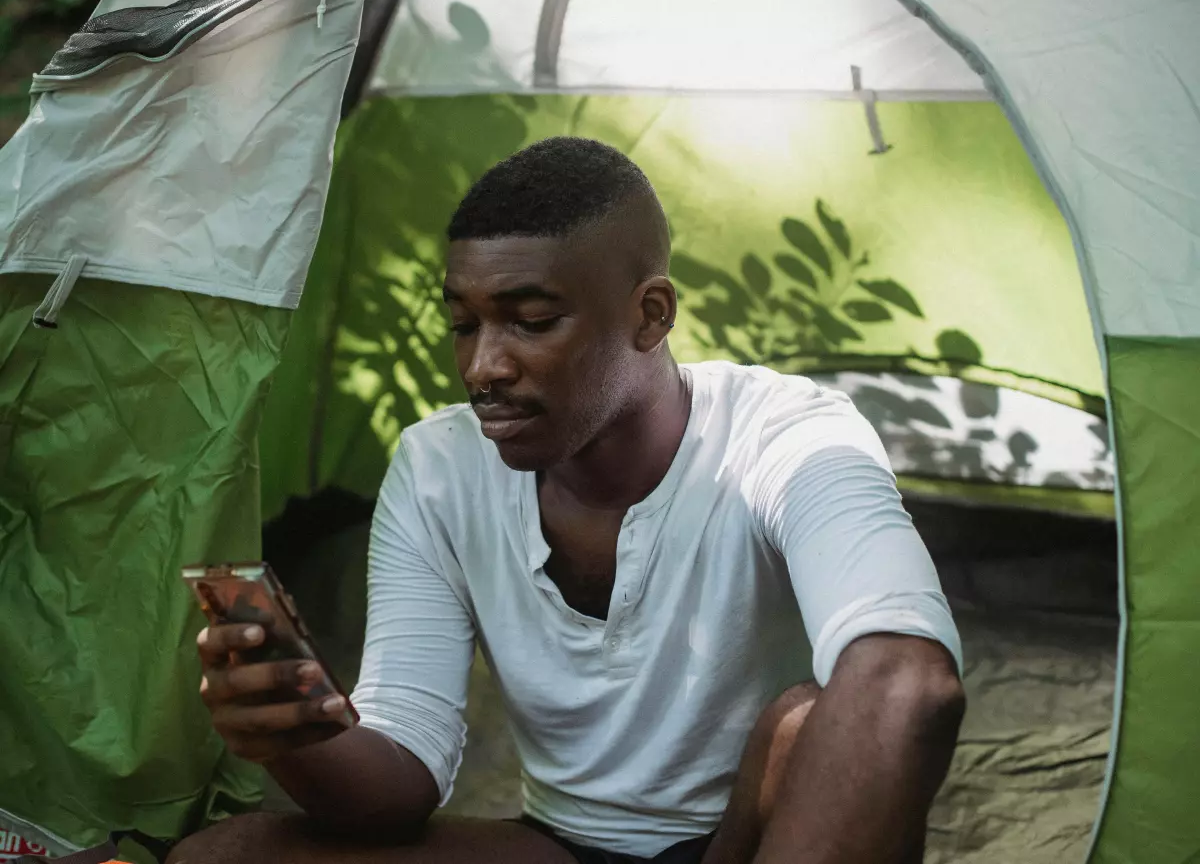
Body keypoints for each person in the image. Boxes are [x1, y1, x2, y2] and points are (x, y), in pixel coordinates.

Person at [170, 138, 964, 864]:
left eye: (532, 321)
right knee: (223, 857)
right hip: (562, 848)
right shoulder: (440, 468)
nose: (483, 366)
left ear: (650, 315)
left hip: (751, 840)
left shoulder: (785, 437)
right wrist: (294, 735)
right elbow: (400, 779)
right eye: (461, 323)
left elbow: (908, 682)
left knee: (805, 720)